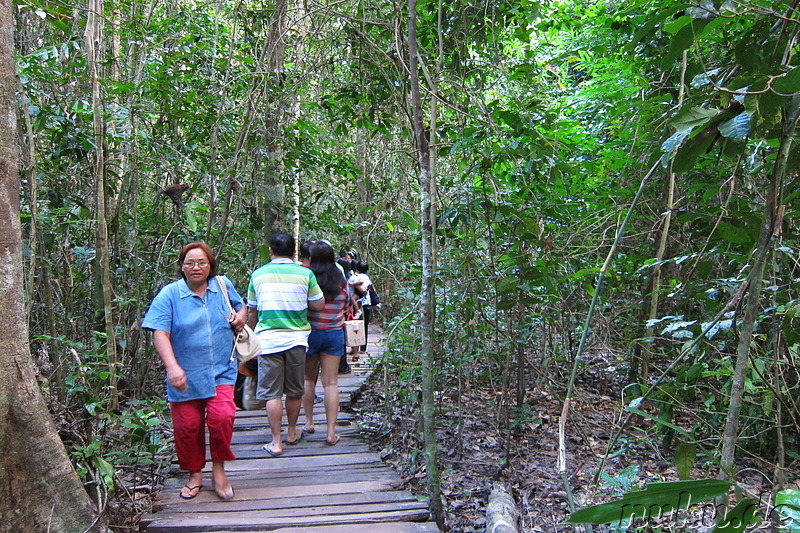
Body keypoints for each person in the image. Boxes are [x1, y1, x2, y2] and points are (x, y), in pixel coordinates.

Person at [142, 242, 246, 501]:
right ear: (182, 266)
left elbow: (240, 305)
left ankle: (219, 470)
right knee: (188, 426)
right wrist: (172, 366)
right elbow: (159, 332)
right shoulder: (170, 295)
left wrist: (241, 316)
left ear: (210, 265)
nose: (196, 267)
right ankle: (195, 474)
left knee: (222, 417)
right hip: (185, 374)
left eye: (202, 262)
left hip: (222, 369)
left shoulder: (222, 285)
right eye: (190, 263)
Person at [247, 232, 324, 457]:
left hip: (268, 341)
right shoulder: (305, 274)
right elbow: (318, 305)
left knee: (272, 394)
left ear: (271, 251)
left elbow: (252, 310)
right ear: (294, 252)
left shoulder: (258, 275)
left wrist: (252, 335)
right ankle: (291, 432)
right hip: (296, 340)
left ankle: (276, 441)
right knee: (294, 390)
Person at [302, 242, 349, 445]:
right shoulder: (341, 282)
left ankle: (309, 423)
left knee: (308, 379)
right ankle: (331, 432)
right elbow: (346, 305)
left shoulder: (306, 280)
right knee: (331, 383)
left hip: (311, 334)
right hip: (334, 333)